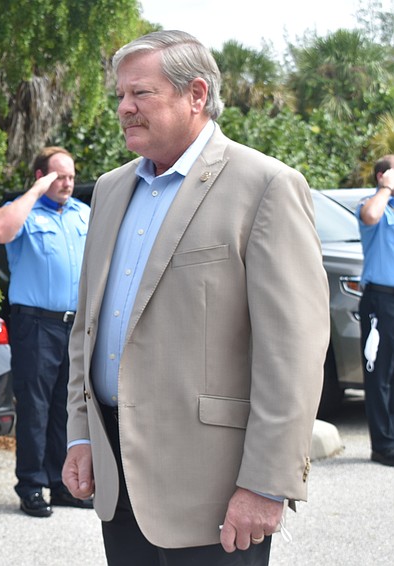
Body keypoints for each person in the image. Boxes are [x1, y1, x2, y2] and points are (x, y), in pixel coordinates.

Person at [61, 30, 329, 565]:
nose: (124, 107)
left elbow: (292, 354)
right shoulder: (111, 189)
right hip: (119, 476)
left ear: (197, 95)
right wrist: (80, 436)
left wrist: (267, 484)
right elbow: (86, 328)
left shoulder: (265, 186)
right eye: (120, 95)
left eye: (141, 93)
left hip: (215, 489)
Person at [0, 146, 92, 517]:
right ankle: (32, 485)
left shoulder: (83, 214)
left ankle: (61, 484)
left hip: (76, 324)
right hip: (35, 324)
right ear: (41, 177)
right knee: (35, 408)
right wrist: (34, 192)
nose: (67, 183)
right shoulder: (25, 213)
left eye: (71, 177)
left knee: (69, 408)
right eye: (58, 176)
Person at [356, 155, 394, 467]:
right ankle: (383, 446)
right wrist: (385, 189)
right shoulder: (372, 206)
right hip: (380, 300)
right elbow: (370, 215)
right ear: (383, 176)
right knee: (378, 373)